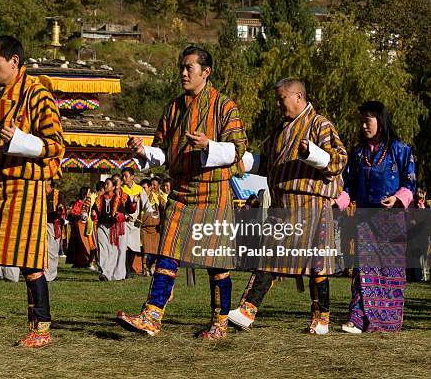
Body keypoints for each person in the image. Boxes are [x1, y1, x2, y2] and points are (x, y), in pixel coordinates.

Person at [117, 46, 247, 340]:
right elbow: (162, 151)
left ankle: (220, 322)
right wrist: (142, 151)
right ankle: (151, 316)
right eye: (182, 67)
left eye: (190, 67)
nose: (184, 73)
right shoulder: (173, 108)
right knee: (167, 253)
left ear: (207, 72)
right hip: (180, 191)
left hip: (214, 192)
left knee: (217, 264)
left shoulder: (225, 106)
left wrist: (209, 146)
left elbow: (239, 149)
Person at [0, 36, 64, 348]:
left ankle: (41, 328)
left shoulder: (38, 96)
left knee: (31, 262)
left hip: (26, 189)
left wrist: (23, 141)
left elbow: (57, 144)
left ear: (14, 61)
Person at [229, 77, 347, 335]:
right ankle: (247, 311)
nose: (278, 104)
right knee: (270, 257)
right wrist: (237, 160)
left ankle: (321, 319)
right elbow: (267, 160)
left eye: (281, 98)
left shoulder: (320, 124)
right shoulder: (281, 128)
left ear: (298, 97)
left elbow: (339, 160)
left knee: (315, 264)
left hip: (311, 203)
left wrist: (312, 153)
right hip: (282, 203)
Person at [339, 101, 415, 333]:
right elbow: (348, 185)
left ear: (380, 121)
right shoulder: (357, 153)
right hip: (364, 219)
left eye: (368, 120)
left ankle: (388, 322)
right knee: (364, 270)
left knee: (389, 271)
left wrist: (397, 198)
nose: (363, 126)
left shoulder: (401, 150)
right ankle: (357, 319)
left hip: (391, 221)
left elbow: (410, 182)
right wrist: (338, 201)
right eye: (361, 121)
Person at [92, 178, 138, 281]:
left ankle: (117, 274)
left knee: (116, 251)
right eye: (105, 184)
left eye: (108, 184)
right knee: (103, 249)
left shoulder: (120, 198)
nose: (105, 186)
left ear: (114, 186)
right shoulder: (99, 199)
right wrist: (93, 212)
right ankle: (105, 272)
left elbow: (127, 210)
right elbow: (94, 208)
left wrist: (132, 205)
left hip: (116, 226)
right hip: (102, 226)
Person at [121, 167, 144, 277]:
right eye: (123, 176)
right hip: (125, 221)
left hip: (136, 222)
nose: (123, 178)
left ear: (132, 177)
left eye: (125, 176)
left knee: (134, 246)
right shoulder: (122, 189)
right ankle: (126, 270)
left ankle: (130, 267)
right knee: (125, 246)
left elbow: (145, 203)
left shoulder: (139, 189)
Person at [66, 186, 94, 268]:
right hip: (78, 225)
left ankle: (84, 261)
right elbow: (75, 212)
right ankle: (78, 261)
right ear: (85, 194)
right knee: (78, 244)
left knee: (84, 243)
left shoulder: (88, 201)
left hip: (84, 225)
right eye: (89, 192)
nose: (90, 193)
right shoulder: (78, 202)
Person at [45, 180, 65, 282]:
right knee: (43, 250)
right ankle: (43, 274)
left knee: (52, 251)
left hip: (53, 224)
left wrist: (61, 207)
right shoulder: (39, 192)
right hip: (40, 223)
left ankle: (50, 275)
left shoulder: (58, 194)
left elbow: (62, 206)